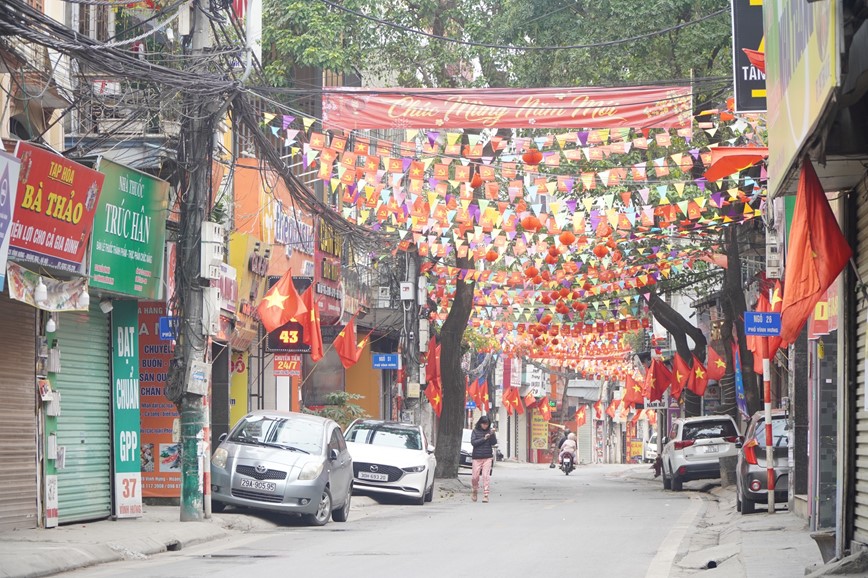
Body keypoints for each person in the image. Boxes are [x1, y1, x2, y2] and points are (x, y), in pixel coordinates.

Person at [470, 415, 498, 503]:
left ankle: (486, 495)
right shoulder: (475, 431)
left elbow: (494, 443)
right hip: (477, 457)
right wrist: (484, 438)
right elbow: (473, 443)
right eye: (483, 424)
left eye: (487, 424)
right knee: (475, 477)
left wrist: (492, 435)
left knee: (486, 476)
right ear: (480, 423)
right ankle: (474, 490)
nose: (485, 426)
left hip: (487, 457)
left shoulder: (490, 431)